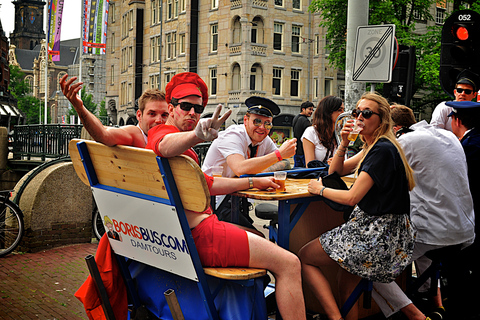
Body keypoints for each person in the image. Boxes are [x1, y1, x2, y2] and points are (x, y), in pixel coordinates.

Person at [146, 72, 306, 320]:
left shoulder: (175, 142)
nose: (192, 113)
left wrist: (255, 181)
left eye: (197, 108)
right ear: (171, 108)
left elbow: (207, 183)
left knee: (261, 240)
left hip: (183, 233)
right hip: (201, 236)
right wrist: (197, 135)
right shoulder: (163, 133)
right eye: (185, 106)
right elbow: (164, 145)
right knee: (290, 263)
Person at [298, 92, 416, 320]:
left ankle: (334, 318)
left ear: (381, 120)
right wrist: (343, 142)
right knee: (346, 281)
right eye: (357, 112)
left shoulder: (381, 150)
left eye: (367, 113)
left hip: (377, 234)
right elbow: (336, 171)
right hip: (384, 233)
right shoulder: (375, 146)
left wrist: (319, 189)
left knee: (305, 256)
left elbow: (352, 197)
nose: (360, 116)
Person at [371, 105, 475, 320]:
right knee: (422, 249)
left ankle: (416, 317)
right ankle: (434, 303)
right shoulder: (446, 135)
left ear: (395, 128)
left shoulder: (405, 142)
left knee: (370, 266)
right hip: (465, 230)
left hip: (436, 231)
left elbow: (374, 177)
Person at [201, 96, 296, 228]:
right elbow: (240, 168)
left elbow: (286, 163)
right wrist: (278, 155)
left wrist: (260, 170)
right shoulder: (233, 135)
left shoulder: (264, 139)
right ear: (246, 120)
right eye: (257, 121)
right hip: (213, 204)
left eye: (267, 123)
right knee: (259, 240)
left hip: (238, 201)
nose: (262, 127)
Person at [60, 74, 169, 147]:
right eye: (152, 114)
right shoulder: (135, 134)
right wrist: (80, 108)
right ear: (139, 115)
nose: (159, 120)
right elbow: (104, 134)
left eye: (164, 115)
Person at [302, 96, 344, 167]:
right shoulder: (311, 132)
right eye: (340, 110)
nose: (343, 113)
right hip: (319, 176)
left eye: (343, 110)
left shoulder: (341, 133)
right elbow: (310, 166)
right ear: (328, 112)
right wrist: (329, 165)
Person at [292, 101, 314, 167]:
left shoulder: (295, 118)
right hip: (304, 152)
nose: (311, 112)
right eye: (309, 109)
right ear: (303, 109)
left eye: (312, 110)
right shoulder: (305, 121)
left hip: (296, 150)